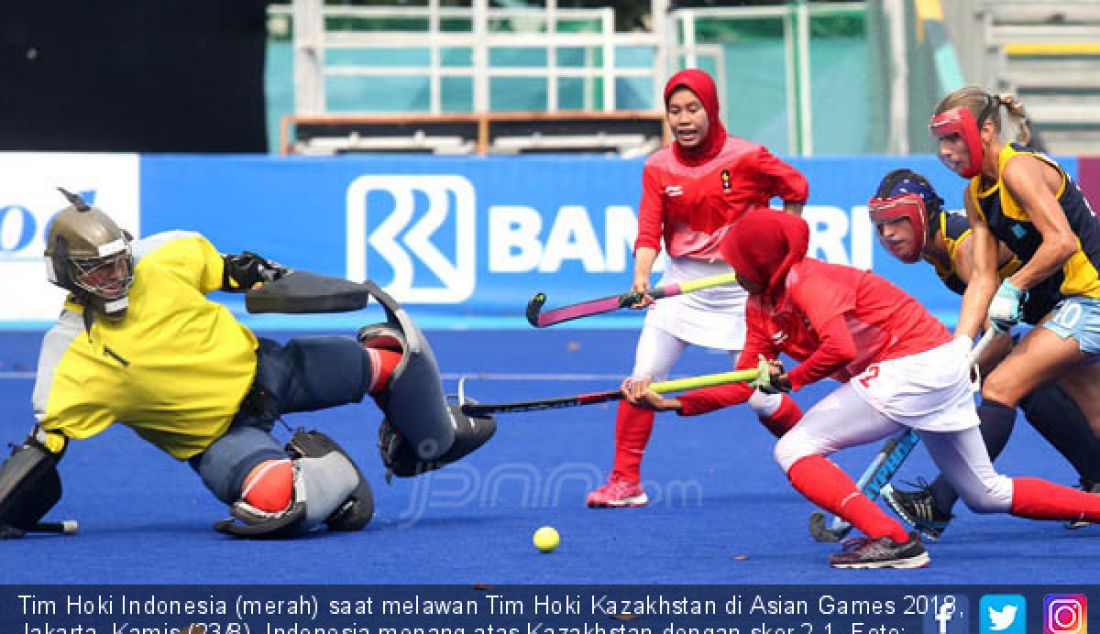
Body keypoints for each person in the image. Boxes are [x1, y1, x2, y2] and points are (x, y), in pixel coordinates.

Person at [0, 189, 496, 538]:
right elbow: (44, 447)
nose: (115, 275)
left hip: (270, 370)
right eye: (98, 269)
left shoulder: (165, 254)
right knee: (277, 501)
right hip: (216, 440)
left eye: (120, 261)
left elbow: (234, 270)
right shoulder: (67, 357)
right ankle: (331, 471)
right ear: (68, 275)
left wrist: (264, 274)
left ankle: (429, 440)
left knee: (394, 354)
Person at [624, 209, 1100, 568]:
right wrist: (673, 402)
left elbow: (837, 345)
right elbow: (747, 380)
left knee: (795, 448)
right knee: (986, 494)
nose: (732, 271)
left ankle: (892, 538)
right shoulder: (760, 305)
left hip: (914, 367)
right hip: (935, 369)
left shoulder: (808, 282)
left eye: (738, 262)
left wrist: (794, 378)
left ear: (761, 262)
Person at [586, 68, 809, 508]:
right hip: (683, 289)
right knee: (642, 378)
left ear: (711, 109)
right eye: (675, 111)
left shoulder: (747, 156)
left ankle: (812, 454)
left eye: (693, 109)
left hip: (744, 292)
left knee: (763, 399)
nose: (684, 119)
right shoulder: (657, 167)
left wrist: (784, 247)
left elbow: (796, 186)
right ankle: (625, 482)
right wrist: (641, 278)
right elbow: (649, 230)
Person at [867, 168, 1100, 538]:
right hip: (1057, 308)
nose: (889, 234)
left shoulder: (965, 248)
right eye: (880, 226)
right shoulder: (938, 252)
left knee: (1002, 384)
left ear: (924, 214)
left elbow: (1000, 339)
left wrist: (953, 379)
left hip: (1078, 302)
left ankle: (939, 501)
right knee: (1059, 398)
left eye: (897, 221)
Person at [929, 87, 1100, 524]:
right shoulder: (975, 193)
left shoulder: (1019, 169)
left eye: (953, 138)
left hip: (1092, 298)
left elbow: (1061, 242)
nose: (946, 152)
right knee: (1095, 414)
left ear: (986, 130)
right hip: (1070, 305)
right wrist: (961, 346)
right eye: (940, 142)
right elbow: (983, 278)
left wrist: (1016, 286)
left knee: (1001, 386)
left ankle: (937, 503)